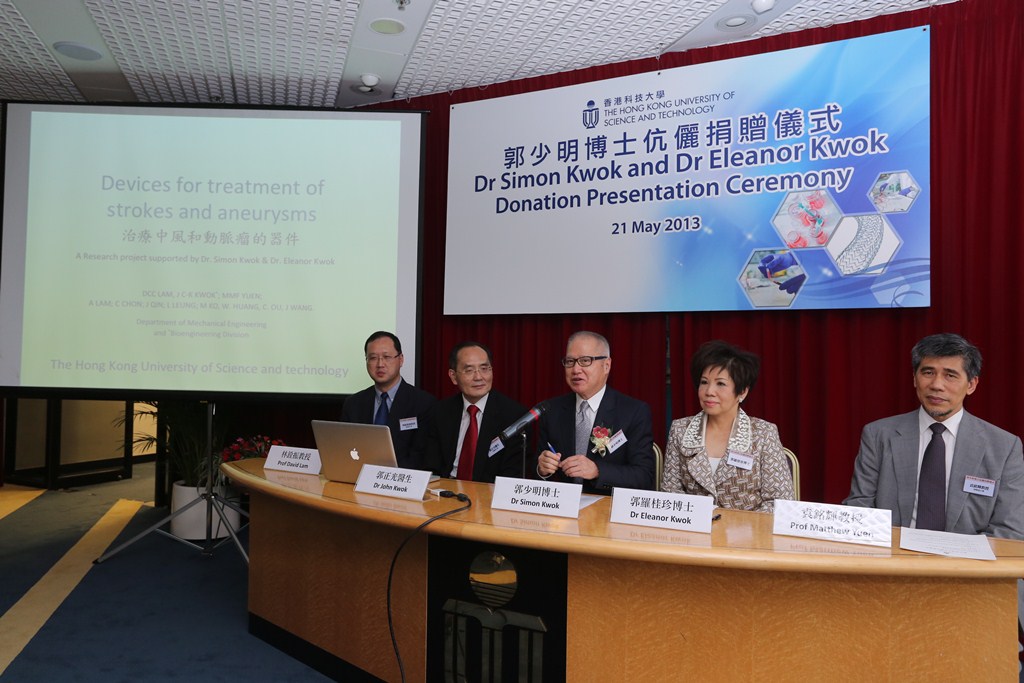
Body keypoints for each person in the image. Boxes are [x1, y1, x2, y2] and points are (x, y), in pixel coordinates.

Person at [844, 333, 1024, 538]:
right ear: (914, 378)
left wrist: (955, 562)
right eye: (928, 372)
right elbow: (859, 510)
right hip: (894, 561)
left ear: (972, 384)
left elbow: (1010, 529)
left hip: (968, 565)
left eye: (950, 375)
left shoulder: (1004, 447)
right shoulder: (878, 435)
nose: (937, 385)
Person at [661, 340, 794, 512]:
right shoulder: (680, 430)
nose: (709, 391)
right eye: (704, 382)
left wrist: (733, 529)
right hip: (694, 533)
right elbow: (670, 494)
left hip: (746, 536)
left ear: (742, 392)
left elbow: (779, 502)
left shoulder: (764, 433)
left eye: (720, 384)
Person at [535, 331, 655, 494]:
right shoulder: (551, 410)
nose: (576, 369)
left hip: (608, 510)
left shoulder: (633, 412)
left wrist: (598, 471)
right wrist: (542, 470)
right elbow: (539, 474)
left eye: (585, 361)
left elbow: (644, 476)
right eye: (570, 361)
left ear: (606, 365)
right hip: (561, 509)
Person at [422, 342, 530, 482]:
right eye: (469, 370)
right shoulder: (440, 411)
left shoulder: (514, 416)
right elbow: (431, 466)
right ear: (453, 376)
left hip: (489, 495)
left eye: (484, 368)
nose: (478, 377)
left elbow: (512, 475)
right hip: (446, 491)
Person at [340, 331, 436, 469]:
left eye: (386, 357)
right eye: (373, 358)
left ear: (401, 359)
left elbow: (421, 455)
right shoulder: (354, 403)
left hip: (401, 482)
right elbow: (345, 448)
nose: (380, 364)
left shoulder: (423, 403)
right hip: (358, 478)